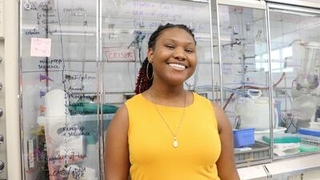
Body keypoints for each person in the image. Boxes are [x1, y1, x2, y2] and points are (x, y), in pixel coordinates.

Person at [104, 23, 240, 180]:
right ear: (151, 54)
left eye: (188, 50)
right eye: (170, 46)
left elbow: (229, 175)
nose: (180, 55)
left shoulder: (214, 112)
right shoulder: (126, 115)